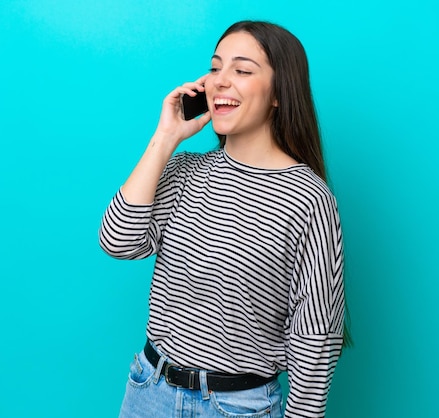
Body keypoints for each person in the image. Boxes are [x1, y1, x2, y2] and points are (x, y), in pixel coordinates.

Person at [99, 20, 346, 418]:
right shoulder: (184, 171)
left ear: (280, 93)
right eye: (215, 69)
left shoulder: (309, 198)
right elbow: (119, 241)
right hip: (149, 392)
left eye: (242, 70)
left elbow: (315, 336)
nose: (220, 82)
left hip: (237, 407)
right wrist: (165, 139)